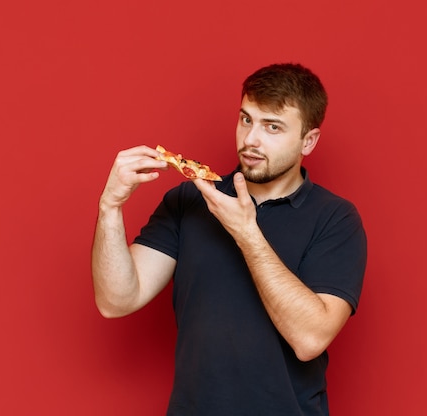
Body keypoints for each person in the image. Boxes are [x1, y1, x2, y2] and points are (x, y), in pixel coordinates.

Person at [91, 63, 367, 416]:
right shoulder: (191, 199)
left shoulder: (336, 219)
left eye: (273, 127)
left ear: (308, 141)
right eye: (246, 119)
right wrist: (110, 206)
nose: (251, 139)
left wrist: (247, 234)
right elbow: (115, 300)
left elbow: (310, 339)